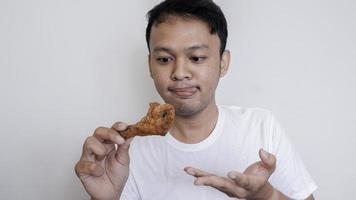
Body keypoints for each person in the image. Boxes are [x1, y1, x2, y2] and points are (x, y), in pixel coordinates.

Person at [75, 0, 317, 199]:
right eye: (164, 59)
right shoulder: (124, 153)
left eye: (197, 57)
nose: (180, 72)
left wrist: (266, 195)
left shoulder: (261, 127)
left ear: (223, 63)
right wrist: (105, 198)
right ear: (149, 65)